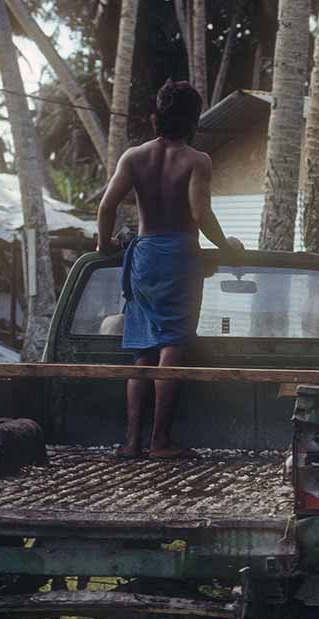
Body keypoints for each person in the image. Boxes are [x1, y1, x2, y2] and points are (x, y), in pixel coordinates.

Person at [97, 79, 244, 459]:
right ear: (194, 122)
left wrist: (103, 245)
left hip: (144, 255)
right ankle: (160, 441)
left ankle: (131, 441)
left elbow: (106, 207)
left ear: (154, 118)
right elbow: (199, 213)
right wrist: (224, 244)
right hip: (179, 254)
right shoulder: (197, 161)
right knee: (172, 344)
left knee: (142, 352)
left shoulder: (133, 157)